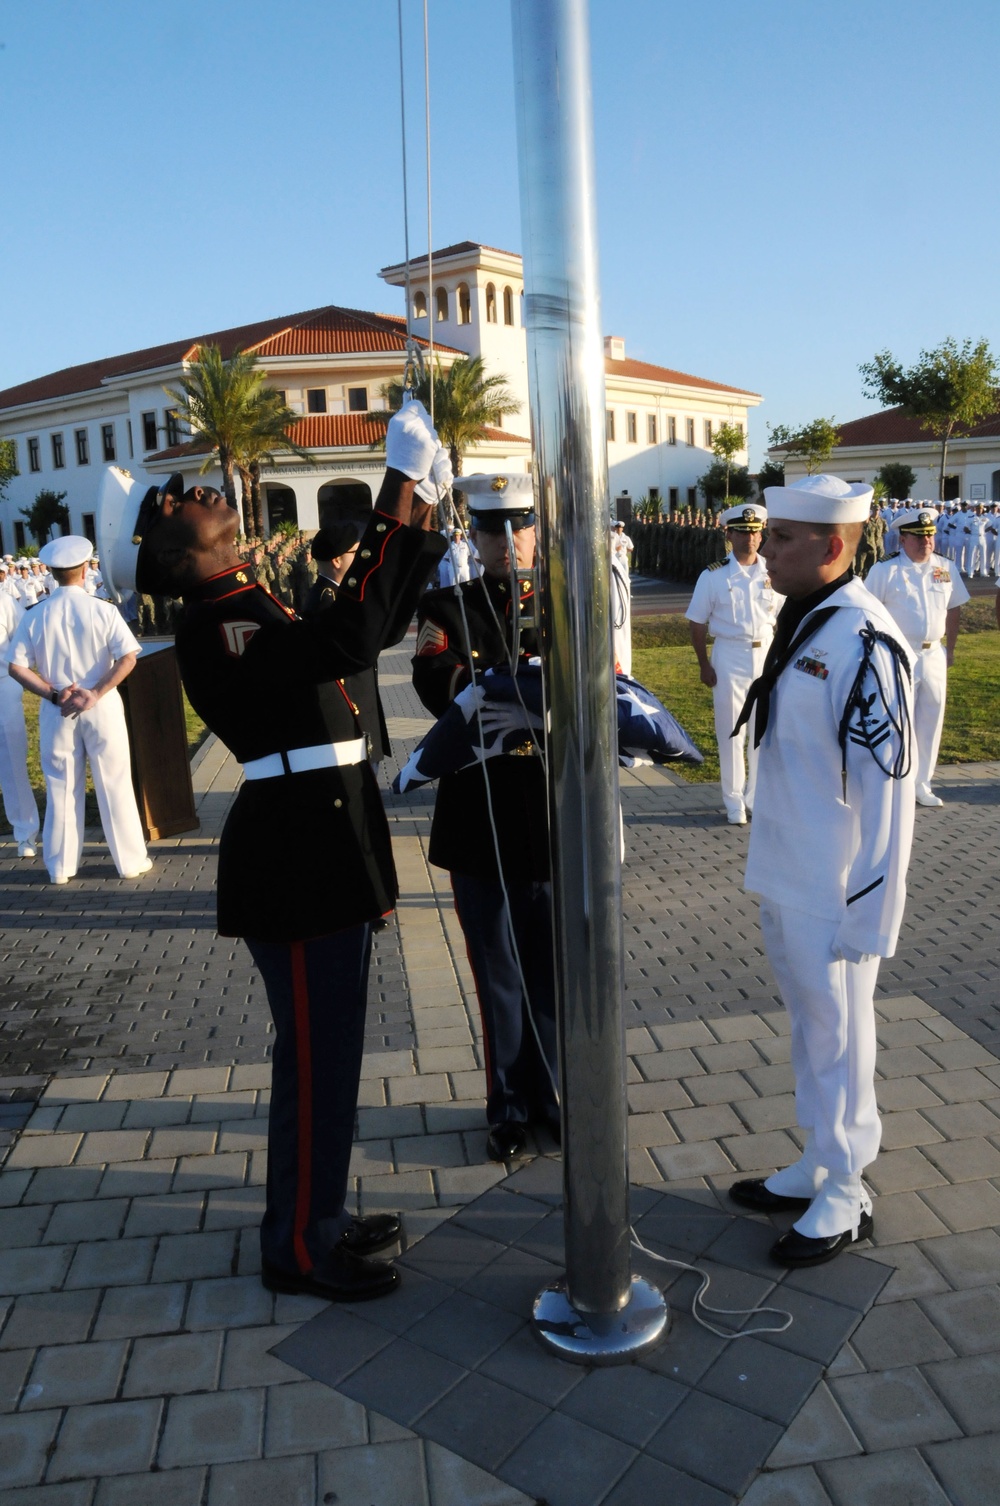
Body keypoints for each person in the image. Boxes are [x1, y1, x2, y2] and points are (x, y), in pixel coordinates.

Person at [122, 402, 448, 1303]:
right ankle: (299, 1250)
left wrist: (417, 510)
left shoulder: (244, 598)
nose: (194, 489)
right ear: (173, 555)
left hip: (324, 839)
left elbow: (361, 629)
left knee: (328, 1055)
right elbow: (347, 637)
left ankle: (319, 1218)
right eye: (174, 501)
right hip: (299, 857)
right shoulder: (214, 620)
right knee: (317, 1059)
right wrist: (397, 489)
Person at [727, 475, 916, 1266]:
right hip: (788, 872)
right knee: (812, 1033)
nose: (763, 549)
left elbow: (891, 797)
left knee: (841, 1036)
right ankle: (817, 1159)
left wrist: (871, 918)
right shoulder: (809, 621)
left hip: (834, 892)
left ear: (833, 546)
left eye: (782, 539)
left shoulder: (865, 641)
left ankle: (846, 1188)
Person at [412, 473, 558, 1163]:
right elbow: (433, 684)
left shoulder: (566, 606)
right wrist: (497, 683)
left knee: (555, 967)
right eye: (493, 528)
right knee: (498, 970)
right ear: (473, 534)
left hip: (555, 814)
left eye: (518, 525)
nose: (507, 541)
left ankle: (557, 1095)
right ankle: (508, 1104)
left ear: (536, 530)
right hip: (481, 816)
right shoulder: (448, 605)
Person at [9, 536, 151, 885]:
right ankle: (130, 861)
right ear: (86, 568)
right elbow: (129, 657)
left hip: (58, 708)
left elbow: (16, 666)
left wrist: (55, 694)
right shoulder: (102, 609)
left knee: (60, 785)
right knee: (114, 781)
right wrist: (96, 692)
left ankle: (60, 866)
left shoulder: (35, 614)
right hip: (100, 705)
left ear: (54, 573)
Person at [685, 502, 783, 824]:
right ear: (729, 534)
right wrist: (704, 665)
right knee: (732, 733)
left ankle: (755, 796)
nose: (750, 538)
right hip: (730, 656)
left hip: (765, 655)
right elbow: (697, 622)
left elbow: (781, 617)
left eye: (755, 531)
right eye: (743, 531)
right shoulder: (713, 576)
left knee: (761, 731)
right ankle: (733, 800)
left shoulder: (773, 571)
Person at [865, 508, 969, 807]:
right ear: (903, 538)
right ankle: (896, 779)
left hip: (934, 651)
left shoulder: (945, 567)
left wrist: (951, 649)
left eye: (930, 535)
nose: (926, 541)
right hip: (899, 652)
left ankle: (922, 782)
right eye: (919, 536)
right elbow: (869, 613)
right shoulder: (886, 570)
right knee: (898, 718)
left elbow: (954, 607)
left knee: (931, 717)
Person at [303, 521, 392, 767]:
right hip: (349, 721)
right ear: (337, 560)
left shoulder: (336, 596)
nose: (362, 557)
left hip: (359, 715)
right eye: (356, 552)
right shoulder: (327, 602)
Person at [0, 588, 40, 857]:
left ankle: (25, 832)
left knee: (12, 763)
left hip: (2, 685)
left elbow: (22, 639)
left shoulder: (3, 600)